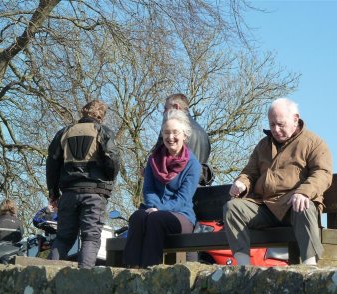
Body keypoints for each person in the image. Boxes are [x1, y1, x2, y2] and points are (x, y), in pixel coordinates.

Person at [223, 97, 333, 266]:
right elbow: (249, 172)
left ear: (295, 119)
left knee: (304, 206)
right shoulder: (263, 145)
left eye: (280, 124)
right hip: (264, 207)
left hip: (292, 207)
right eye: (272, 124)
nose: (275, 129)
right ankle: (243, 269)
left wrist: (304, 192)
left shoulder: (313, 143)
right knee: (233, 207)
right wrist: (242, 182)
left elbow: (323, 173)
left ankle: (310, 268)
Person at [46, 99, 120, 269]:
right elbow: (113, 162)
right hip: (94, 193)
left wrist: (53, 193)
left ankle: (46, 277)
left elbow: (52, 164)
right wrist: (109, 177)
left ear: (84, 111)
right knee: (90, 237)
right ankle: (83, 280)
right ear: (101, 115)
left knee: (63, 238)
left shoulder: (64, 132)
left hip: (69, 193)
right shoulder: (102, 131)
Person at [123, 109, 201, 268]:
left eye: (175, 132)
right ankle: (129, 272)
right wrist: (153, 207)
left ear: (184, 135)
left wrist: (159, 209)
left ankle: (149, 272)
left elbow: (182, 199)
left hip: (181, 216)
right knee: (137, 217)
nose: (170, 137)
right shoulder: (153, 160)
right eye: (166, 132)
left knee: (155, 219)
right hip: (154, 211)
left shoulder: (193, 165)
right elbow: (149, 190)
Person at [154, 93, 213, 186]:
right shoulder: (204, 134)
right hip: (199, 191)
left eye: (166, 108)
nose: (163, 112)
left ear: (176, 107)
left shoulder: (170, 132)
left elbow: (157, 162)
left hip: (173, 190)